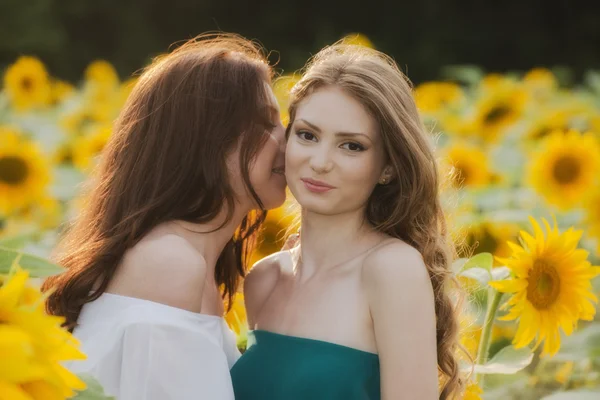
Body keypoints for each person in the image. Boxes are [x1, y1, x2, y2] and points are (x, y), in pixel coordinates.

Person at [42, 33, 287, 400]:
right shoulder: (170, 264)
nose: (288, 140)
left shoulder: (184, 260)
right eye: (268, 123)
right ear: (206, 137)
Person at [231, 43, 464, 400]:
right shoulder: (264, 280)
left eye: (351, 146)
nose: (320, 162)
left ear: (388, 167)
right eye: (308, 135)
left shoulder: (391, 269)